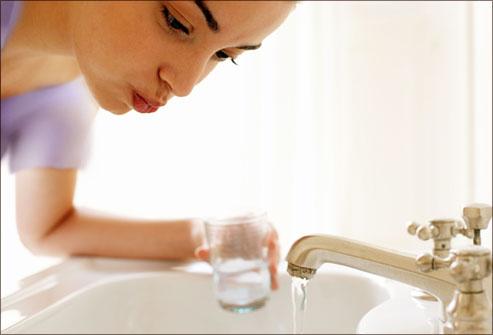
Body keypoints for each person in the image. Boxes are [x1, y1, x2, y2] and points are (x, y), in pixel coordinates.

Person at [1, 1, 295, 290]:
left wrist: (202, 236)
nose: (184, 85)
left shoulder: (70, 85)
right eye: (176, 21)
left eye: (223, 54)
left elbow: (49, 227)